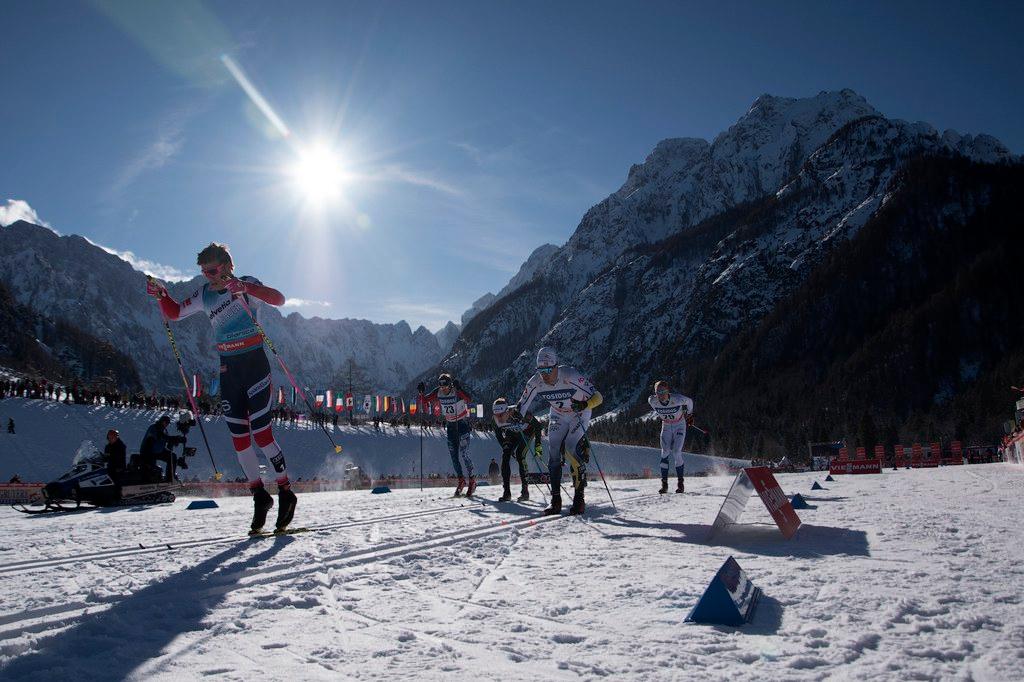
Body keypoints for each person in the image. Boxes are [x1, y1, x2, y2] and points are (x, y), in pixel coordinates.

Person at [146, 242, 296, 533]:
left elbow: (279, 299)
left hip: (254, 365)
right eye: (203, 272)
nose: (208, 277)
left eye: (212, 270)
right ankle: (259, 496)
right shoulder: (204, 294)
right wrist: (163, 295)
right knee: (239, 440)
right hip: (229, 370)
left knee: (263, 435)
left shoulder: (246, 283)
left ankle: (286, 492)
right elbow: (175, 313)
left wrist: (247, 290)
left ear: (227, 266)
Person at [515, 347, 602, 515]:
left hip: (579, 412)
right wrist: (518, 415)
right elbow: (523, 404)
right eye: (541, 370)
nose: (545, 375)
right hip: (558, 414)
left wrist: (585, 404)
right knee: (553, 452)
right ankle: (555, 500)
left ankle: (579, 499)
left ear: (556, 366)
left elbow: (598, 397)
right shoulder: (535, 382)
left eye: (548, 369)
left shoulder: (570, 375)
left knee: (570, 448)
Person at [418, 373, 475, 496]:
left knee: (464, 454)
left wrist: (460, 389)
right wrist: (421, 392)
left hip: (462, 424)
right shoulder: (438, 392)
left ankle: (472, 480)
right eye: (441, 385)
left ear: (450, 384)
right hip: (450, 426)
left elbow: (469, 399)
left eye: (445, 386)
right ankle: (461, 481)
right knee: (454, 457)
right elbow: (425, 401)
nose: (443, 388)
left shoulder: (456, 391)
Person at [491, 397, 543, 503]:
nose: (499, 418)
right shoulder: (495, 420)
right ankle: (506, 493)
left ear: (507, 411)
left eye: (501, 415)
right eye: (496, 415)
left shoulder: (521, 413)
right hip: (512, 433)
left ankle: (525, 491)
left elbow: (538, 426)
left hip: (527, 432)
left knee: (520, 455)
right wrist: (506, 449)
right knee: (505, 457)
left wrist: (538, 445)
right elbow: (499, 436)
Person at [648, 381, 694, 494]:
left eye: (663, 391)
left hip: (679, 425)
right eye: (658, 392)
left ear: (668, 391)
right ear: (655, 393)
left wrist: (689, 414)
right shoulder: (652, 400)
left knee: (677, 452)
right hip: (667, 426)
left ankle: (680, 484)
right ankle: (664, 485)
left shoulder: (677, 399)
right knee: (665, 452)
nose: (661, 395)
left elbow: (689, 401)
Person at [139, 415, 184, 482]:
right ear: (162, 421)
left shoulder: (164, 430)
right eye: (166, 423)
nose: (167, 425)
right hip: (149, 451)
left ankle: (170, 477)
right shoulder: (154, 427)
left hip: (158, 450)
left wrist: (174, 441)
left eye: (168, 423)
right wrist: (174, 438)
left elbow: (166, 440)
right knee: (150, 467)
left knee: (172, 457)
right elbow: (161, 436)